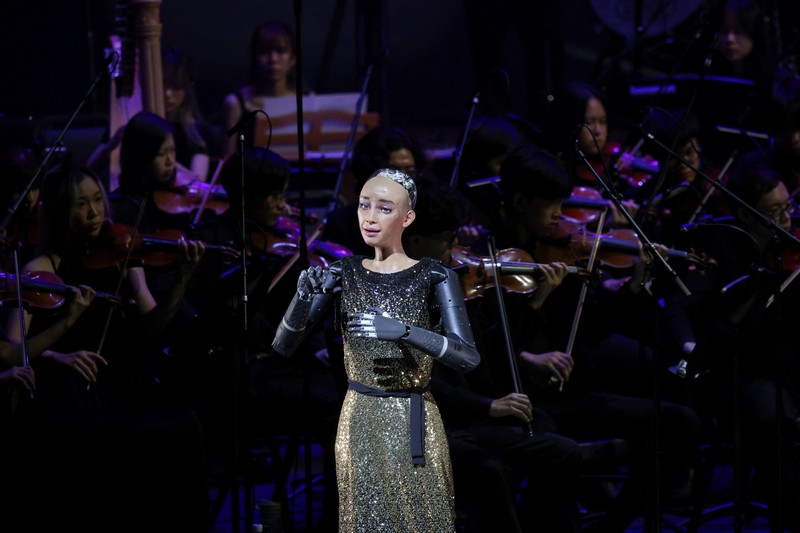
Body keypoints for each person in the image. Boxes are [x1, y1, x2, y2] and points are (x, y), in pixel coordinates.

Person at [484, 144, 703, 532]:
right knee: (555, 450)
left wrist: (635, 288)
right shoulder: (487, 257)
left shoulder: (563, 252)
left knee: (680, 422)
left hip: (571, 394)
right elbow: (488, 346)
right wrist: (536, 301)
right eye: (551, 205)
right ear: (519, 201)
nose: (560, 216)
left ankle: (610, 526)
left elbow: (592, 329)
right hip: (520, 400)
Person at [0, 160, 208, 531]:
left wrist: (181, 282)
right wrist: (58, 355)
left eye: (97, 199)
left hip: (120, 378)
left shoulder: (123, 254)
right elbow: (13, 347)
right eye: (81, 204)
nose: (95, 212)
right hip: (67, 385)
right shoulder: (41, 265)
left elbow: (152, 327)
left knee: (186, 425)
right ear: (61, 209)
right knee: (107, 438)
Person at [272, 168, 480, 531]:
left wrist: (405, 331)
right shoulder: (341, 272)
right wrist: (299, 301)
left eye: (384, 208)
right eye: (364, 205)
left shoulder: (435, 275)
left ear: (408, 217)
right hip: (359, 419)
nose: (369, 217)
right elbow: (283, 346)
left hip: (415, 416)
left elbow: (467, 357)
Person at [403, 176, 583, 532]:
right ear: (416, 239)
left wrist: (533, 303)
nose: (455, 248)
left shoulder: (448, 288)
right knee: (545, 455)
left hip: (461, 417)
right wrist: (489, 406)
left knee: (541, 424)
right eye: (447, 240)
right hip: (422, 426)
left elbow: (485, 361)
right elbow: (423, 386)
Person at [662, 157, 800, 532]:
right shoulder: (721, 249)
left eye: (789, 207)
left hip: (787, 363)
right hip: (743, 370)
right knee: (773, 416)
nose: (786, 219)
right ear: (744, 213)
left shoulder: (790, 248)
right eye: (774, 212)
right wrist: (690, 346)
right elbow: (678, 305)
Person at [320, 125, 427, 257]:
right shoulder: (341, 223)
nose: (405, 180)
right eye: (395, 172)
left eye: (410, 171)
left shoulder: (424, 218)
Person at [221, 21, 302, 158]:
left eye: (280, 51)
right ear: (255, 57)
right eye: (264, 51)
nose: (273, 59)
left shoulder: (306, 100)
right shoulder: (236, 103)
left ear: (292, 59)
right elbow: (228, 159)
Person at [162, 45, 222, 181]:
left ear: (188, 88)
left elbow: (198, 180)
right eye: (163, 85)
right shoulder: (139, 125)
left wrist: (163, 161)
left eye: (176, 86)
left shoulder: (198, 132)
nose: (167, 94)